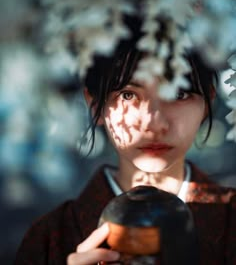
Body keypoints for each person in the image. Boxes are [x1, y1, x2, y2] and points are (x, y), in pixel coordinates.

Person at [14, 14, 236, 265]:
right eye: (128, 95)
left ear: (207, 102)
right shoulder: (49, 237)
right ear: (95, 102)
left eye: (179, 93)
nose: (154, 123)